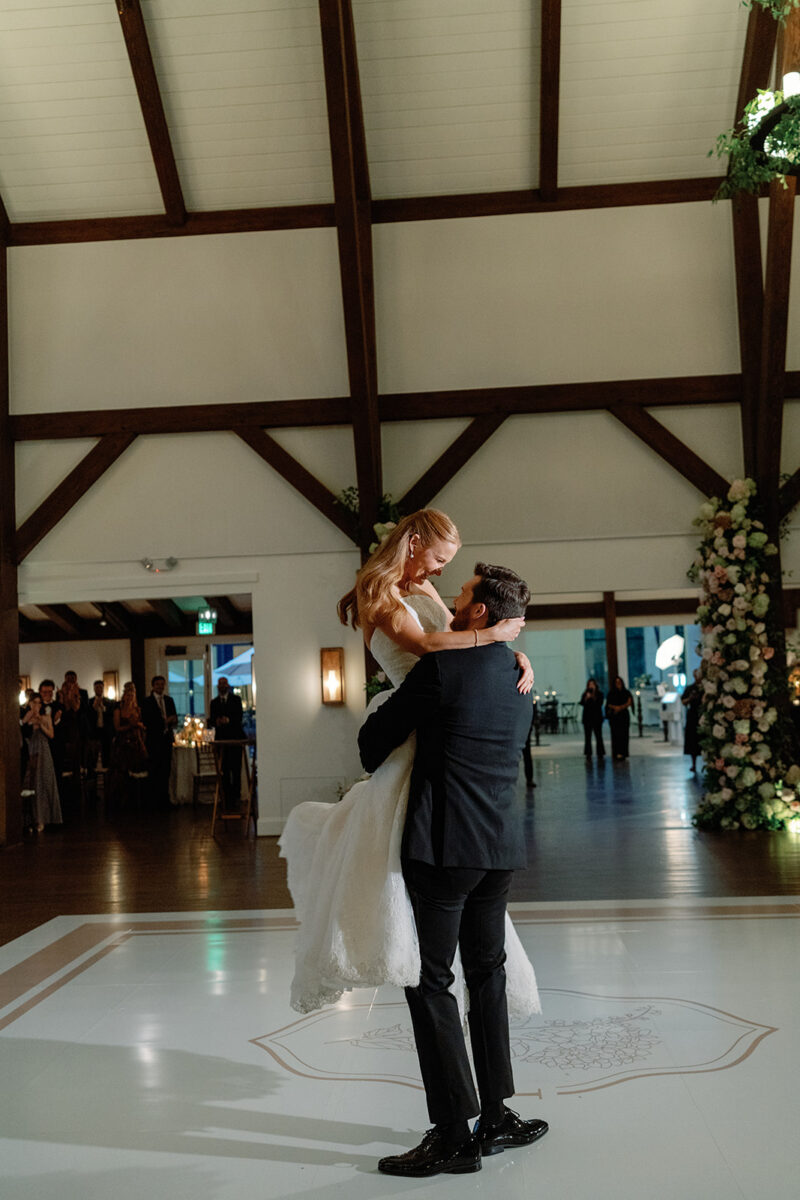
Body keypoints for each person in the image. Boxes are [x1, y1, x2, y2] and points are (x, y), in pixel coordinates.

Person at [279, 508, 539, 1021]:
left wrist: (513, 655)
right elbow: (427, 646)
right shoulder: (377, 590)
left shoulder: (426, 589)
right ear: (415, 543)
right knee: (407, 858)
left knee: (455, 917)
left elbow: (458, 636)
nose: (442, 571)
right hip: (416, 711)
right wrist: (493, 639)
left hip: (445, 717)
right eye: (440, 558)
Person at [358, 563, 549, 1177]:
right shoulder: (519, 675)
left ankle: (452, 1135)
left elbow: (372, 747)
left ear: (479, 613)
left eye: (460, 595)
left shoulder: (441, 669)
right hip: (499, 848)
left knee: (430, 981)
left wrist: (387, 707)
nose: (449, 601)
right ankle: (496, 1117)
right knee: (486, 975)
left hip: (443, 848)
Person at [20, 694, 63, 832]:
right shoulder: (27, 716)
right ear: (30, 703)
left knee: (45, 782)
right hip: (31, 749)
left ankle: (45, 818)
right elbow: (22, 730)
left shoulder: (46, 717)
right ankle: (32, 820)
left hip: (44, 750)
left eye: (39, 703)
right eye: (34, 702)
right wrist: (29, 722)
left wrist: (40, 724)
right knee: (32, 784)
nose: (37, 705)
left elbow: (51, 734)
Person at [208, 677, 245, 806]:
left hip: (235, 739)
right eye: (220, 684)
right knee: (223, 769)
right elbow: (211, 720)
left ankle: (236, 796)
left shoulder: (236, 700)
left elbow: (239, 717)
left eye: (224, 684)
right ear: (218, 687)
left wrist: (228, 720)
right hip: (221, 741)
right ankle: (226, 797)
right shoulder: (214, 702)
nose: (222, 686)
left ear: (228, 686)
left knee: (236, 769)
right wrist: (217, 721)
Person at [142, 675, 178, 807]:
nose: (160, 687)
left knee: (166, 769)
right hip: (153, 740)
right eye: (157, 684)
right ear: (153, 686)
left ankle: (165, 799)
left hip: (166, 739)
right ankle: (154, 800)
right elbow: (148, 721)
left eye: (162, 684)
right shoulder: (147, 702)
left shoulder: (169, 700)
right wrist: (165, 721)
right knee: (154, 769)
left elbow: (174, 717)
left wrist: (172, 721)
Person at [109, 682, 148, 802]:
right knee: (121, 772)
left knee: (135, 771)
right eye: (128, 694)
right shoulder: (118, 708)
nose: (130, 696)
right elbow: (117, 727)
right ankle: (121, 800)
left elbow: (142, 727)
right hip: (122, 743)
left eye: (132, 694)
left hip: (136, 742)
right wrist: (131, 726)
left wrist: (140, 729)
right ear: (124, 694)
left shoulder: (137, 709)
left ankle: (134, 799)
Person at [606, 675, 633, 760]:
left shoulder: (626, 692)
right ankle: (616, 752)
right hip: (615, 716)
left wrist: (620, 708)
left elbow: (629, 702)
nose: (618, 684)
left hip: (624, 716)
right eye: (616, 682)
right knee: (615, 735)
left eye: (619, 682)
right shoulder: (611, 693)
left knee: (624, 735)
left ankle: (624, 752)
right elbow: (608, 704)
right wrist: (616, 708)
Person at [682, 668, 703, 774]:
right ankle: (693, 764)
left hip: (702, 714)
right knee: (692, 740)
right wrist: (690, 698)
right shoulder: (690, 688)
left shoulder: (705, 688)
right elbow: (683, 701)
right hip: (693, 716)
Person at [579, 677, 605, 758]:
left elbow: (600, 703)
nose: (591, 686)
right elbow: (582, 703)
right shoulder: (585, 693)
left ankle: (600, 752)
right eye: (589, 684)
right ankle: (588, 752)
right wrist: (586, 698)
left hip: (597, 717)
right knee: (587, 736)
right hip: (587, 717)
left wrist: (593, 696)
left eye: (592, 684)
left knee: (598, 736)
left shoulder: (599, 694)